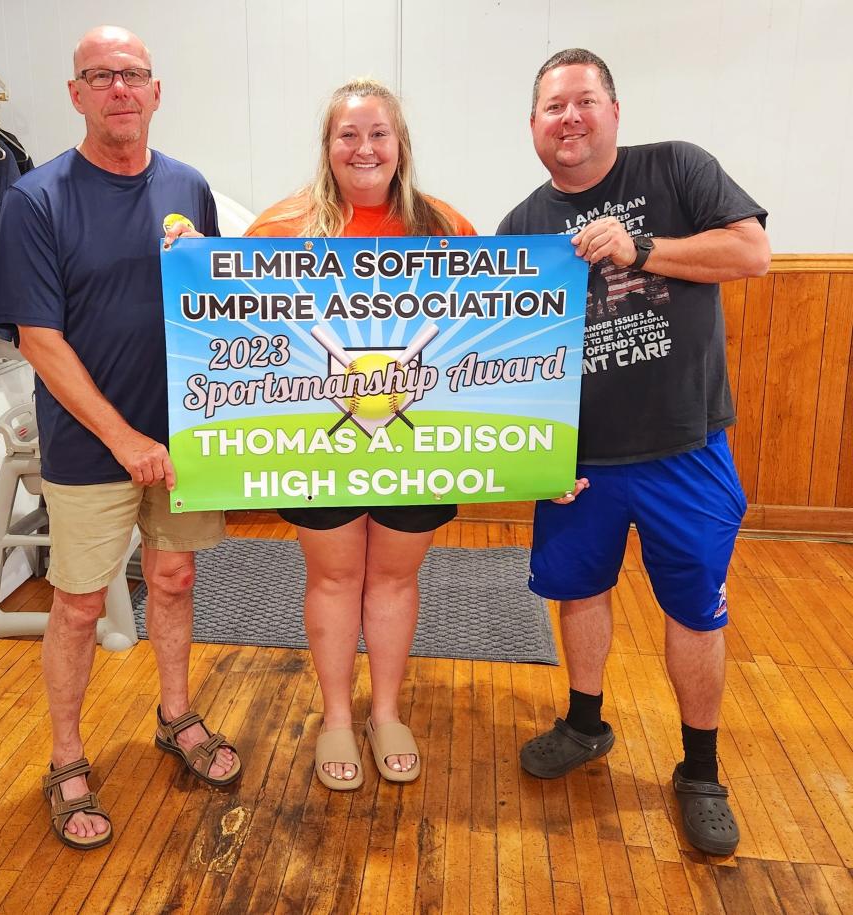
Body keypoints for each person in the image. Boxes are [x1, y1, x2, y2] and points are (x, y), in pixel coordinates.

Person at [498, 48, 769, 856]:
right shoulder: (521, 224)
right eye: (553, 107)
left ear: (613, 110)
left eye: (584, 101)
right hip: (579, 464)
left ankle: (701, 769)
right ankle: (585, 724)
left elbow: (752, 253)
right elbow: (503, 351)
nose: (570, 118)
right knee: (579, 593)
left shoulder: (679, 170)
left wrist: (641, 250)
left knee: (693, 608)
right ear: (534, 126)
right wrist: (531, 455)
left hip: (684, 448)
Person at [0, 25, 240, 850]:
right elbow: (39, 339)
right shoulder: (36, 198)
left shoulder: (188, 186)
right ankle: (65, 757)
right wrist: (126, 436)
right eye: (101, 76)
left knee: (172, 579)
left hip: (184, 441)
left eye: (132, 74)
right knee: (80, 603)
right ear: (76, 94)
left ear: (156, 91)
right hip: (91, 446)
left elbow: (208, 303)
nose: (119, 89)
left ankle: (176, 715)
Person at [245, 79, 475, 790]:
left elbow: (481, 336)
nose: (365, 147)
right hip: (319, 439)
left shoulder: (446, 227)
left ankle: (387, 710)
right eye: (349, 135)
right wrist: (188, 255)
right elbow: (236, 320)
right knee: (337, 574)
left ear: (400, 143)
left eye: (379, 133)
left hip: (417, 437)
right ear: (328, 147)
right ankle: (338, 717)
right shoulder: (280, 226)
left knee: (396, 576)